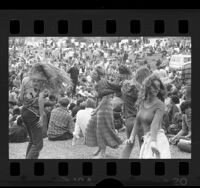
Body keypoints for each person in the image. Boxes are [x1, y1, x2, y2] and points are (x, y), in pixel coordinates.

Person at [19, 62, 71, 159]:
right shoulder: (41, 83)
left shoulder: (26, 79)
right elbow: (40, 100)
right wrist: (42, 116)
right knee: (38, 145)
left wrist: (28, 99)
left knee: (33, 141)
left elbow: (20, 97)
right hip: (33, 114)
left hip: (24, 112)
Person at [125, 74, 171, 159]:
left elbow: (155, 124)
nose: (157, 89)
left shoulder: (160, 104)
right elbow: (137, 122)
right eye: (154, 86)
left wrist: (153, 142)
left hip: (157, 140)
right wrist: (131, 137)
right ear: (147, 87)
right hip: (147, 140)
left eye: (159, 86)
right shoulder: (142, 102)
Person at [84, 66, 123, 159]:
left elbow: (105, 98)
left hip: (104, 109)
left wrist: (96, 109)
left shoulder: (102, 82)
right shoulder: (97, 83)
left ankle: (102, 153)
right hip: (100, 107)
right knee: (95, 127)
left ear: (98, 74)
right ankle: (100, 148)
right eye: (92, 72)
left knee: (102, 130)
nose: (92, 74)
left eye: (94, 73)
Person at [120, 66, 151, 158]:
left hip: (128, 120)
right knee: (143, 145)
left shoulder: (126, 86)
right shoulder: (140, 90)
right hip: (139, 120)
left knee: (129, 144)